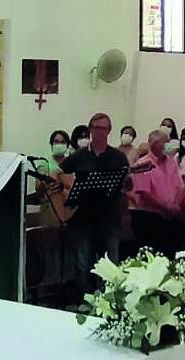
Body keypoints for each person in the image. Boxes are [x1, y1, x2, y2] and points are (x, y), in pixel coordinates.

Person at [58, 112, 130, 300]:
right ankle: (86, 305)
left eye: (104, 128)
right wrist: (69, 185)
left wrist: (128, 182)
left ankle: (109, 308)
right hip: (83, 220)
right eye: (96, 128)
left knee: (110, 268)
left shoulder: (118, 157)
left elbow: (128, 187)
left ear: (109, 131)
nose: (100, 132)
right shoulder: (79, 156)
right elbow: (58, 172)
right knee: (83, 267)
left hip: (110, 220)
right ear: (90, 130)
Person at [129, 129, 185, 255]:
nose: (168, 145)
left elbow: (180, 186)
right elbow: (143, 193)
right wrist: (165, 207)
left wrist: (175, 206)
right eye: (164, 142)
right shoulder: (141, 164)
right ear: (153, 144)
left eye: (168, 142)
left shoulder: (172, 162)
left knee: (172, 255)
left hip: (172, 217)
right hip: (150, 218)